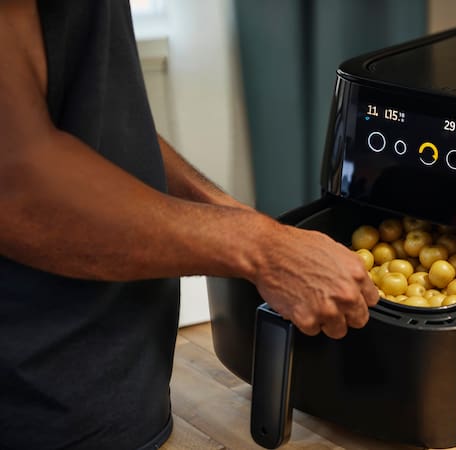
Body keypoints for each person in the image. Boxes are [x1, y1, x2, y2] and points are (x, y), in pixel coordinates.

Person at [0, 0, 379, 448]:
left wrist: (242, 220)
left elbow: (98, 126)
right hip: (41, 407)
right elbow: (17, 188)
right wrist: (263, 248)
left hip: (123, 399)